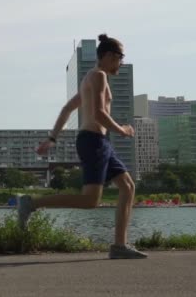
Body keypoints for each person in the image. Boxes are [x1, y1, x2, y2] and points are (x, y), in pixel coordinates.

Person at [17, 33, 147, 259]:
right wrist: (123, 130)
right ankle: (31, 203)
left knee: (127, 186)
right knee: (90, 200)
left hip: (99, 142)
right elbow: (98, 113)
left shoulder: (89, 78)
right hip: (93, 141)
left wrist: (53, 138)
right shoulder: (98, 76)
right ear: (107, 55)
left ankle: (119, 246)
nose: (121, 63)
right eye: (119, 57)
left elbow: (68, 108)